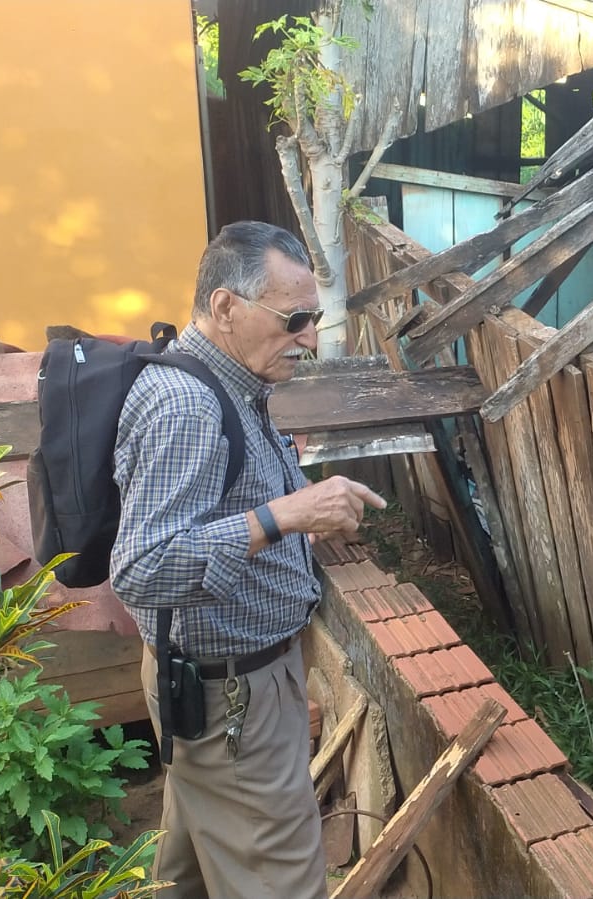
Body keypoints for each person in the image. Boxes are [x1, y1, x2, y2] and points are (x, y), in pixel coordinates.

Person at [111, 221, 386, 899]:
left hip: (220, 684)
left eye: (312, 317)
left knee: (191, 870)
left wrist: (296, 519)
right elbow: (143, 568)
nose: (310, 338)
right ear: (226, 307)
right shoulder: (189, 405)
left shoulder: (233, 384)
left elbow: (219, 508)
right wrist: (284, 516)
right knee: (281, 877)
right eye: (294, 319)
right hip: (231, 697)